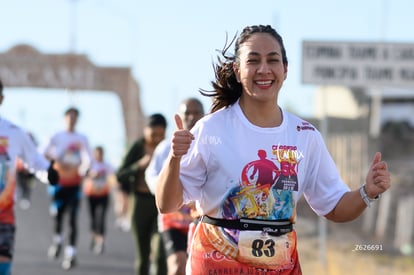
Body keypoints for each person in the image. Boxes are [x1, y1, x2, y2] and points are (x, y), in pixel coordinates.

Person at [155, 25, 391, 274]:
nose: (264, 69)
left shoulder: (304, 135)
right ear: (237, 70)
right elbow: (166, 204)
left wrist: (367, 193)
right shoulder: (211, 129)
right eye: (253, 61)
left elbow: (334, 206)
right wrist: (174, 158)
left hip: (281, 266)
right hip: (218, 262)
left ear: (285, 70)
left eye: (273, 60)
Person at [0, 79, 59, 275]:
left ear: (1, 99)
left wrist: (48, 173)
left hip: (4, 212)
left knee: (3, 262)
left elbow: (35, 160)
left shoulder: (14, 132)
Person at [146, 98, 204, 275]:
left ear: (204, 115)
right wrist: (174, 192)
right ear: (180, 116)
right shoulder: (165, 147)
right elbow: (151, 176)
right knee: (177, 267)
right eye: (187, 113)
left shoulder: (210, 145)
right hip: (173, 220)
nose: (191, 117)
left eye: (196, 113)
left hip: (200, 221)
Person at [116, 113, 168, 275]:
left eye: (161, 135)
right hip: (139, 203)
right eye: (153, 135)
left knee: (161, 253)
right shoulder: (137, 147)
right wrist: (139, 165)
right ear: (146, 131)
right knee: (143, 255)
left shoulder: (168, 148)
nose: (157, 139)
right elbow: (120, 174)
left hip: (160, 204)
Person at [43, 106, 93, 270]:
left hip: (74, 184)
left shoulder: (81, 138)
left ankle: (70, 253)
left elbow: (88, 158)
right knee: (58, 215)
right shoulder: (56, 136)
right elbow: (43, 152)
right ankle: (57, 240)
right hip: (58, 184)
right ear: (64, 118)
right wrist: (56, 160)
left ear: (77, 120)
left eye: (74, 117)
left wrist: (83, 169)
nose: (72, 120)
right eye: (69, 117)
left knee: (72, 218)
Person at [82, 145, 116, 254]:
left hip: (103, 194)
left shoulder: (107, 165)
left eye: (100, 153)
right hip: (91, 194)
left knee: (101, 217)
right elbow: (82, 173)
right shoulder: (90, 164)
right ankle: (93, 236)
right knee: (93, 218)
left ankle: (100, 241)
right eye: (96, 153)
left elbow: (114, 175)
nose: (98, 156)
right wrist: (91, 175)